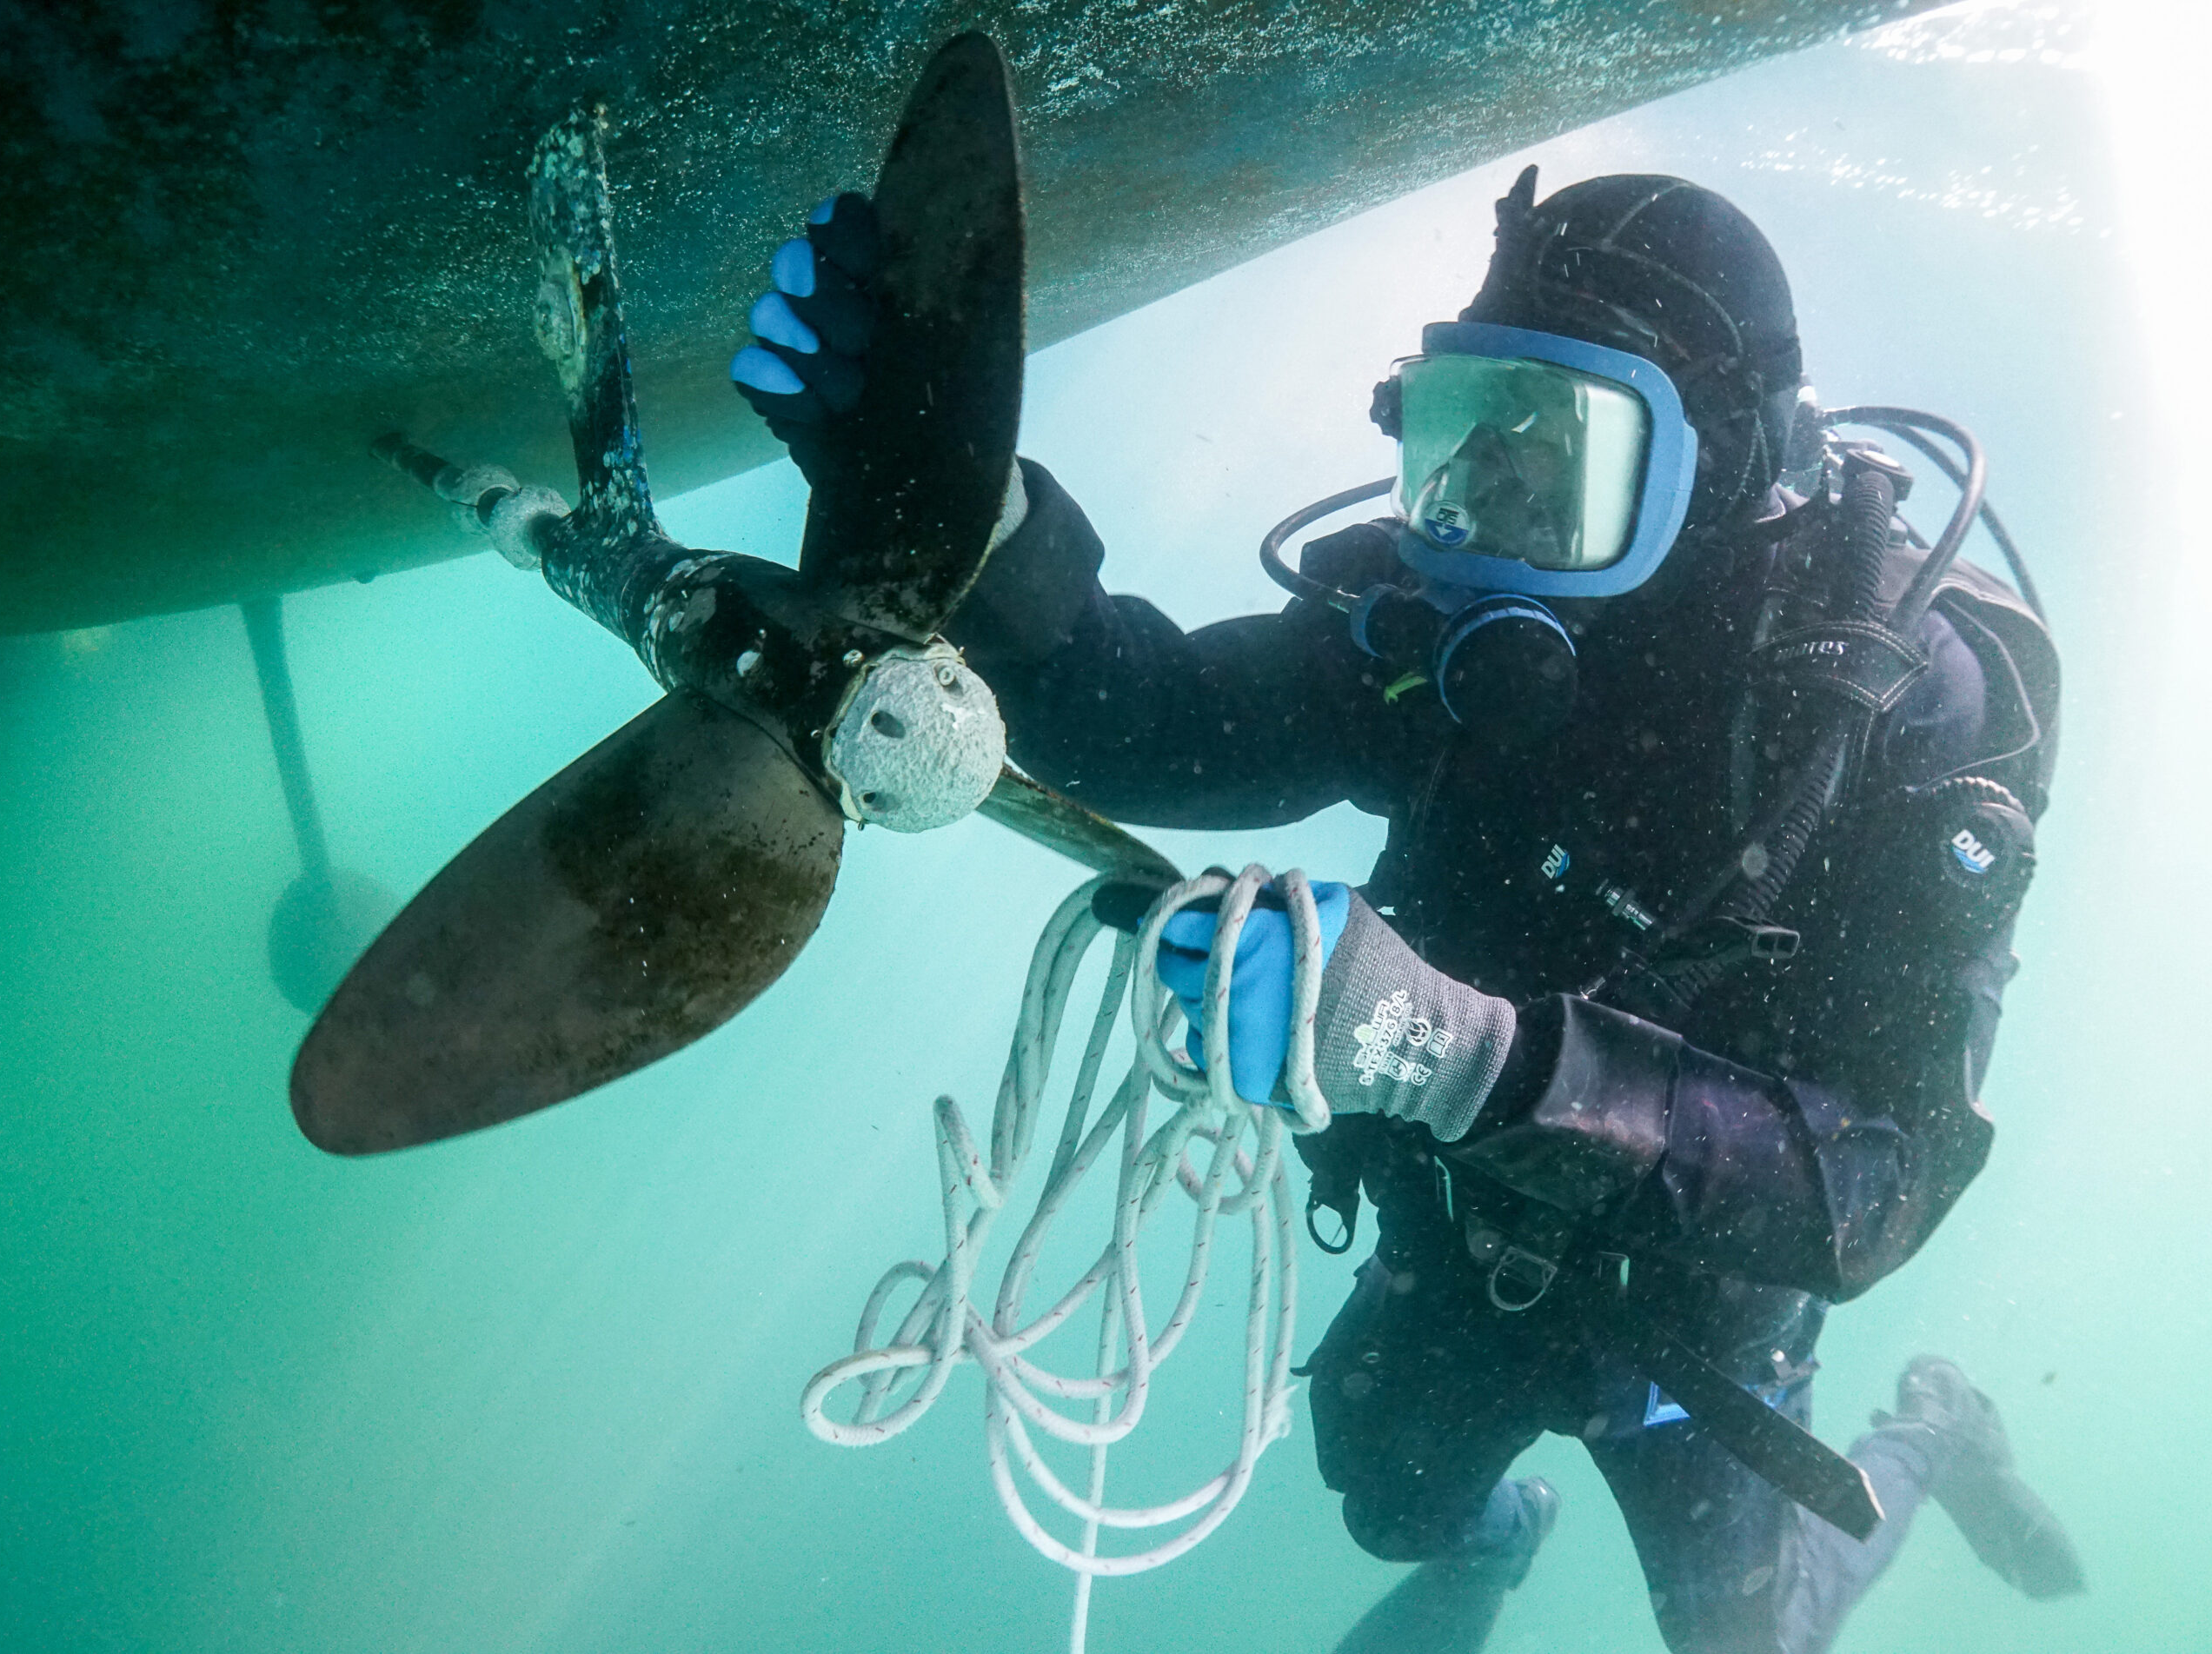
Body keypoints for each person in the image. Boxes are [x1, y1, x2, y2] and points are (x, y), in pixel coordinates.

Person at [734, 169, 2083, 1652]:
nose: (1495, 511)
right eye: (1465, 432)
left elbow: (1879, 1186)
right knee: (1388, 1504)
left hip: (1696, 1328)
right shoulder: (1448, 638)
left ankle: (1934, 1435)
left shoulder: (1892, 721)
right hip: (1458, 1243)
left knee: (1754, 1645)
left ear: (1724, 459)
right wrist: (941, 495)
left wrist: (1453, 1055)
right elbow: (1141, 720)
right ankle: (1506, 1546)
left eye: (1557, 455)